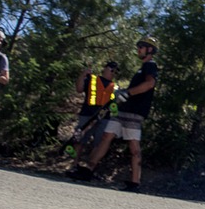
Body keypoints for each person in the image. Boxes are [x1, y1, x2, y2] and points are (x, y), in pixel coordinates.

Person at [68, 37, 159, 191]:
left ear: (150, 49)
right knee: (106, 137)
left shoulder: (150, 66)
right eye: (138, 46)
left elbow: (150, 84)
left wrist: (128, 92)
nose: (138, 49)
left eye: (142, 47)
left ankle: (135, 182)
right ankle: (88, 170)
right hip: (123, 111)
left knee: (133, 146)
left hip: (134, 113)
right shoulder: (141, 68)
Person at [68, 60, 118, 158]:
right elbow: (79, 89)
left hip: (104, 117)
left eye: (116, 72)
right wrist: (83, 74)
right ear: (105, 69)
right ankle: (74, 166)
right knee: (80, 140)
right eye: (112, 69)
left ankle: (90, 168)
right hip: (87, 114)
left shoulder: (115, 87)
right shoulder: (92, 79)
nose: (113, 73)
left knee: (99, 143)